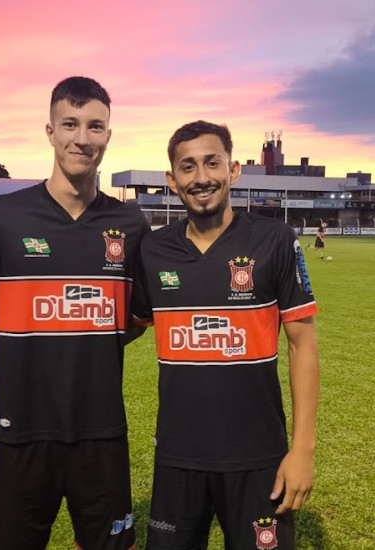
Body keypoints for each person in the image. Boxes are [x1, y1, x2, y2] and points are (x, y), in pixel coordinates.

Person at [0, 76, 149, 550]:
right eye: (70, 124)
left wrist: (91, 334)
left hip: (101, 432)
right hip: (21, 432)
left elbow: (137, 317)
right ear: (50, 131)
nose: (83, 138)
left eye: (95, 126)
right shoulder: (2, 215)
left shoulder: (130, 224)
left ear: (108, 135)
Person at [132, 121, 320, 550]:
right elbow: (129, 327)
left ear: (233, 170)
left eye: (212, 163)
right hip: (178, 457)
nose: (201, 178)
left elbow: (302, 345)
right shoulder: (153, 250)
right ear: (171, 179)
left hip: (259, 458)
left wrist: (302, 451)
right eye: (188, 167)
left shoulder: (274, 240)